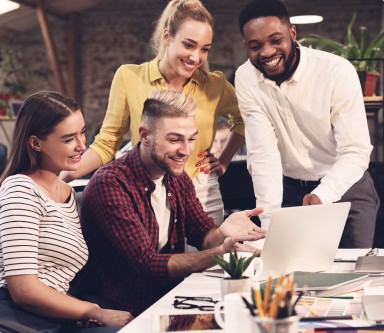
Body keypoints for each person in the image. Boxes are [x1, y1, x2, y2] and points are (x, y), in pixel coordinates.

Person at [76, 90, 266, 316]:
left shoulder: (176, 177)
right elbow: (148, 265)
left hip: (168, 300)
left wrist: (223, 231)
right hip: (124, 311)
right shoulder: (110, 184)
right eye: (175, 139)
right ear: (145, 135)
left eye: (191, 139)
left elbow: (202, 233)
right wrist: (221, 252)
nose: (186, 150)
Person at [61, 0, 245, 225]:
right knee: (155, 260)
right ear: (167, 37)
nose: (196, 57)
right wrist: (64, 174)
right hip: (146, 190)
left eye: (204, 49)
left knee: (207, 258)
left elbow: (244, 117)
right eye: (189, 45)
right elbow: (106, 143)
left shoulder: (214, 85)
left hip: (202, 192)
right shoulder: (129, 77)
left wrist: (224, 160)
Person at [235, 0, 380, 248]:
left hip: (346, 189)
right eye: (255, 46)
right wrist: (269, 220)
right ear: (246, 46)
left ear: (292, 34)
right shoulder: (246, 77)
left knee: (350, 276)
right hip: (290, 192)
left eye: (275, 40)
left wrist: (322, 195)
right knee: (293, 275)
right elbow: (263, 155)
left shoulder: (336, 72)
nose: (267, 52)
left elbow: (355, 151)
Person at [0, 91, 133, 333]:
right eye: (68, 139)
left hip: (52, 319)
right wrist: (93, 311)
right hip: (16, 319)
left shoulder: (68, 193)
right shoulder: (20, 189)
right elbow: (23, 289)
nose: (82, 145)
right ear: (35, 143)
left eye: (82, 132)